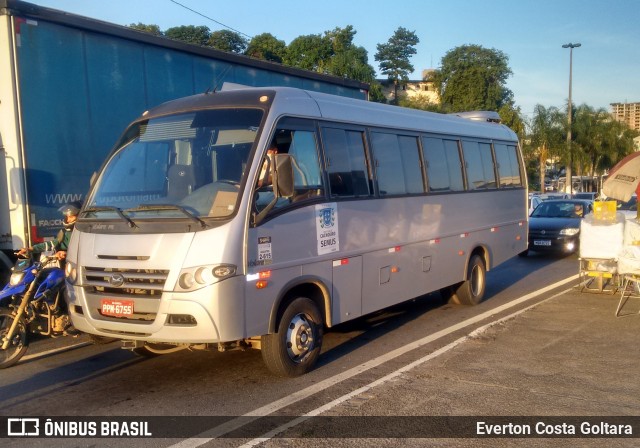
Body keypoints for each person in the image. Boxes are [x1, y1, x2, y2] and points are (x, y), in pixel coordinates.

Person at [17, 201, 82, 262]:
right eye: (67, 217)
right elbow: (51, 244)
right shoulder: (64, 233)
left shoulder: (85, 233)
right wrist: (30, 249)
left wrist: (67, 254)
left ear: (79, 216)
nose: (68, 220)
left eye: (71, 217)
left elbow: (86, 253)